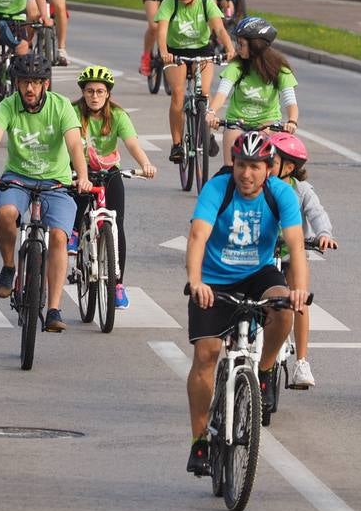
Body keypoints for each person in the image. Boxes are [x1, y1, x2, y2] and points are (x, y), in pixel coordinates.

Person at [184, 132, 309, 476]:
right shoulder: (218, 189)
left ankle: (265, 370)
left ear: (268, 168)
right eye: (241, 165)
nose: (247, 174)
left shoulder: (280, 193)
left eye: (255, 166)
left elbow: (296, 247)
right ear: (233, 164)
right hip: (214, 278)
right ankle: (199, 442)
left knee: (284, 308)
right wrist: (196, 282)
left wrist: (299, 290)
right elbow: (197, 236)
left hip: (259, 273)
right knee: (206, 355)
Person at [0, 54, 91, 333]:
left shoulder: (61, 107)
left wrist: (82, 178)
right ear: (16, 84)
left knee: (60, 237)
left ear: (46, 84)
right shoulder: (8, 106)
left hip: (57, 182)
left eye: (36, 83)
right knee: (6, 213)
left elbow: (75, 146)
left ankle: (53, 308)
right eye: (24, 82)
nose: (29, 89)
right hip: (18, 177)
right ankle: (9, 266)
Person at [71, 65, 158, 310]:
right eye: (90, 91)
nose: (95, 96)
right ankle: (76, 234)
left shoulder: (118, 116)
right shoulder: (74, 112)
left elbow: (132, 144)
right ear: (83, 93)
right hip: (79, 170)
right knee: (77, 199)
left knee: (116, 225)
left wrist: (145, 164)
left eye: (100, 91)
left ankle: (117, 283)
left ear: (108, 93)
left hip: (109, 172)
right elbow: (70, 144)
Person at [265, 132, 335, 389]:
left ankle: (301, 362)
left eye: (272, 161)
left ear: (289, 167)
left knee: (299, 296)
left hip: (290, 253)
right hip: (262, 254)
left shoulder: (302, 190)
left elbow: (317, 214)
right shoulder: (258, 184)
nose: (265, 165)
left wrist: (324, 235)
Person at [157, 0, 236, 164]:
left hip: (202, 50)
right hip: (175, 52)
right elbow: (162, 30)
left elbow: (219, 29)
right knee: (177, 93)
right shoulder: (169, 3)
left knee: (204, 93)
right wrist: (164, 53)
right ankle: (176, 145)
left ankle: (204, 129)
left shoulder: (207, 3)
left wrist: (229, 49)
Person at [206, 17, 299, 164]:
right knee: (231, 168)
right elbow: (221, 94)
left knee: (268, 170)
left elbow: (290, 101)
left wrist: (292, 121)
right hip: (237, 122)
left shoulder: (280, 70)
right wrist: (211, 113)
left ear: (256, 46)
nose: (237, 48)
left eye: (241, 44)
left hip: (267, 123)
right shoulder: (236, 66)